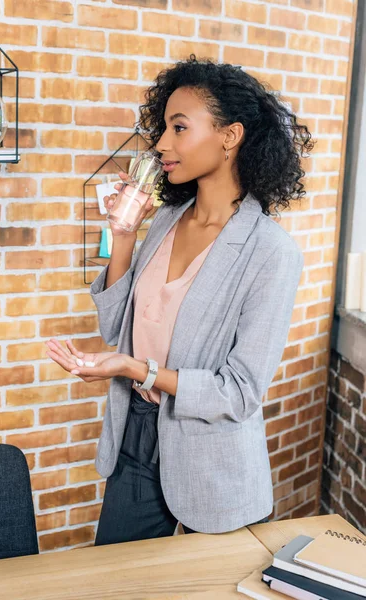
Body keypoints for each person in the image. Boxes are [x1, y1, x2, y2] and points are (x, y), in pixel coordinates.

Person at [46, 56, 313, 544]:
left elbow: (240, 393)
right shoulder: (168, 219)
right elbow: (117, 331)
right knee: (117, 585)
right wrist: (124, 235)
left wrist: (137, 370)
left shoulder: (271, 252)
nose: (162, 144)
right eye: (163, 127)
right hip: (136, 434)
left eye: (179, 127)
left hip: (213, 460)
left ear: (229, 137)